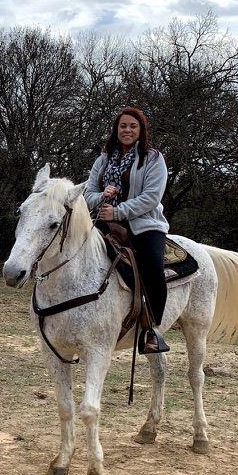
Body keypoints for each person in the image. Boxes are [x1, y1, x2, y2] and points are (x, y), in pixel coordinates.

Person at [83, 106, 170, 354]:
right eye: (123, 126)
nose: (127, 130)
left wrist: (118, 212)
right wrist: (102, 196)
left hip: (144, 225)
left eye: (133, 126)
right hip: (103, 221)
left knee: (153, 266)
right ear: (116, 129)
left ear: (141, 130)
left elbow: (151, 197)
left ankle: (151, 329)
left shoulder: (153, 158)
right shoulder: (103, 159)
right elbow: (87, 194)